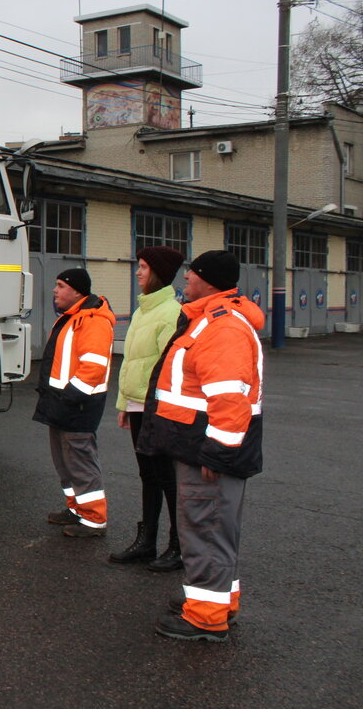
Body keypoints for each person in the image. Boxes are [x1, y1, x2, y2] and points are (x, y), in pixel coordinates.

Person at [139, 250, 264, 643]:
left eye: (191, 274)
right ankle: (215, 602)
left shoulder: (221, 328)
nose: (186, 279)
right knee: (212, 529)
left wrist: (219, 453)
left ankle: (206, 618)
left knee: (206, 528)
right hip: (199, 446)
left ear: (208, 280)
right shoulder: (208, 320)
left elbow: (230, 398)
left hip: (207, 452)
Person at [109, 246, 185, 570]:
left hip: (159, 410)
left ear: (157, 272)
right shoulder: (142, 311)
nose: (137, 272)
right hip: (140, 406)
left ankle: (179, 546)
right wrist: (124, 403)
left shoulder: (171, 312)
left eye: (142, 267)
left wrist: (162, 410)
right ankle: (147, 542)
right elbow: (131, 363)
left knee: (168, 477)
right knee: (148, 475)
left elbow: (172, 367)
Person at [33, 268, 116, 537]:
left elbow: (93, 367)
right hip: (63, 403)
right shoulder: (73, 318)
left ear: (77, 291)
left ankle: (94, 519)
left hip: (77, 405)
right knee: (65, 462)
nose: (55, 290)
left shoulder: (92, 320)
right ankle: (77, 507)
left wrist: (69, 397)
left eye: (61, 285)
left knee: (80, 462)